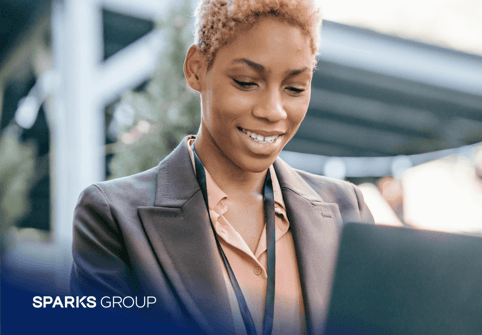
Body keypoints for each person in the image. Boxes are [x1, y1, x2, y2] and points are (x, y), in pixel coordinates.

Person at [70, 0, 374, 334]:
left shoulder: (347, 211)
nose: (273, 111)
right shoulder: (113, 217)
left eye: (295, 88)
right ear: (196, 68)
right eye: (246, 82)